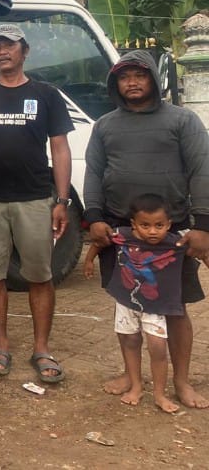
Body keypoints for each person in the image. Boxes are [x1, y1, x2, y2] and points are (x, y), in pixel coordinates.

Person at [83, 50, 209, 409]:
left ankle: (181, 382)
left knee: (175, 307)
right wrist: (95, 217)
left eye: (140, 75)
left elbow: (202, 169)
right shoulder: (105, 125)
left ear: (154, 78)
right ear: (115, 84)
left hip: (171, 233)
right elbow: (93, 172)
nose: (133, 82)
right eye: (125, 77)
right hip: (121, 232)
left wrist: (203, 225)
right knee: (128, 304)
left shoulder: (183, 121)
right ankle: (132, 374)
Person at [0, 23, 73, 383]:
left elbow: (60, 148)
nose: (3, 52)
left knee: (40, 276)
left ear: (24, 51)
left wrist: (62, 199)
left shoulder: (46, 95)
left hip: (36, 198)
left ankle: (42, 349)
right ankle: (0, 346)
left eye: (10, 45)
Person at [84, 194, 184, 413]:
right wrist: (89, 260)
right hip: (126, 302)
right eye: (145, 225)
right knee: (130, 341)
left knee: (158, 347)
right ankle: (136, 386)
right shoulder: (123, 236)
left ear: (168, 224)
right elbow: (100, 243)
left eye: (159, 225)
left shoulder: (176, 241)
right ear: (134, 224)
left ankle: (159, 394)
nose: (152, 231)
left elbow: (200, 250)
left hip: (156, 306)